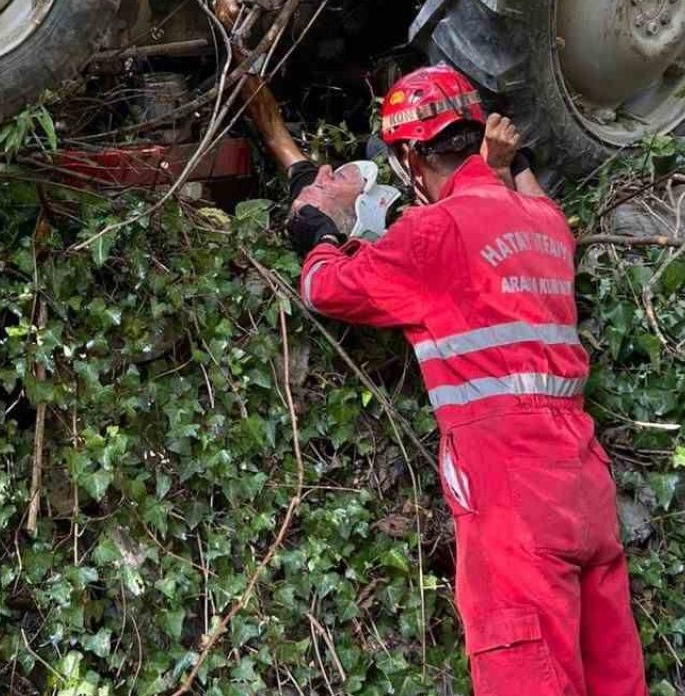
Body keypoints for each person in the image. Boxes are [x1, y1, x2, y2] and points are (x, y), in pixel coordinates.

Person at [248, 63, 648, 695]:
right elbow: (529, 211)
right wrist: (510, 165)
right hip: (585, 487)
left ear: (409, 156)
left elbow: (326, 288)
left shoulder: (433, 231)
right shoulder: (544, 224)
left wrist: (318, 230)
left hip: (512, 501)